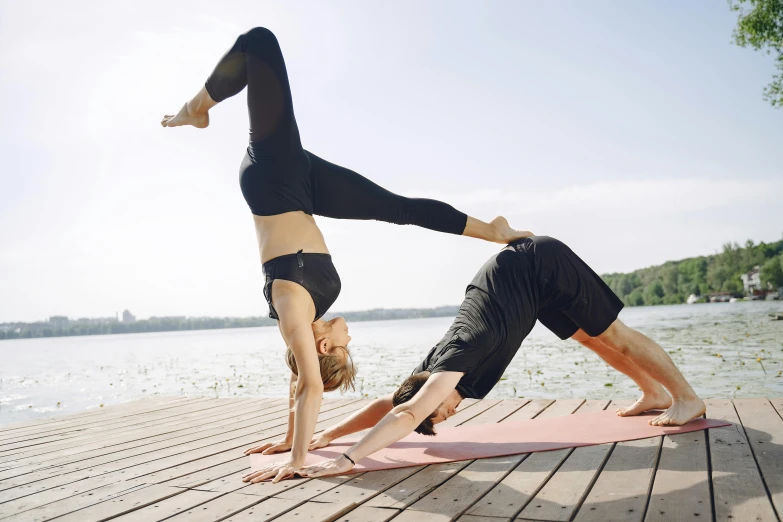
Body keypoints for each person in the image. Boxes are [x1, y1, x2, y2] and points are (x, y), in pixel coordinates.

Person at [161, 27, 531, 483]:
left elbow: (309, 385)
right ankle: (491, 230)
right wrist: (291, 436)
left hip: (274, 179)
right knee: (399, 208)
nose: (349, 338)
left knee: (259, 42)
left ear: (321, 346)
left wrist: (295, 460)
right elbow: (300, 379)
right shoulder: (304, 325)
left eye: (341, 346)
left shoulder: (292, 311)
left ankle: (196, 109)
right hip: (306, 185)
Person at [262, 236, 706, 481]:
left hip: (535, 266)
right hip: (523, 287)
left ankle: (685, 398)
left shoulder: (452, 362)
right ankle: (651, 391)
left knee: (615, 335)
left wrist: (347, 459)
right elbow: (393, 403)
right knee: (591, 339)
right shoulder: (429, 371)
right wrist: (323, 436)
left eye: (441, 411)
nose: (450, 412)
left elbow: (405, 412)